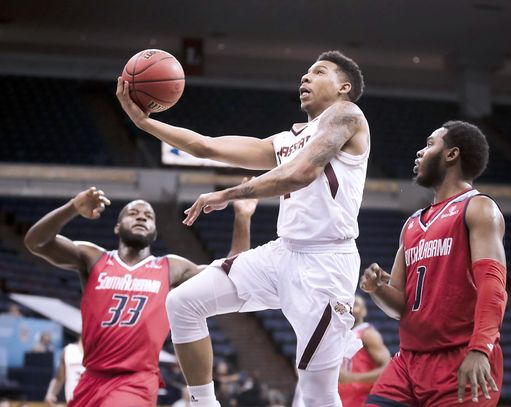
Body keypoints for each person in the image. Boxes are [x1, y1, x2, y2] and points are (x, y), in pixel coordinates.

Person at [117, 50, 370, 406]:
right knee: (183, 302)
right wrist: (144, 123)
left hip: (326, 265)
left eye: (318, 72)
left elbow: (301, 174)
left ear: (344, 87)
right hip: (283, 253)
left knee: (316, 394)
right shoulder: (286, 140)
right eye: (305, 73)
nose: (305, 78)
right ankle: (203, 403)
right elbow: (206, 146)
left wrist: (228, 193)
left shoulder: (348, 115)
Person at [24, 187, 257, 407]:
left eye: (148, 215)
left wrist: (242, 218)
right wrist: (73, 207)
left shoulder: (171, 267)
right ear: (117, 227)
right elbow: (35, 242)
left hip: (135, 380)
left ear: (154, 231)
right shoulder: (93, 258)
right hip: (91, 380)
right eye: (133, 213)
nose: (141, 217)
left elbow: (232, 275)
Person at [360, 121, 507, 406]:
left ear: (451, 154)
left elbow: (493, 285)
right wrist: (378, 289)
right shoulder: (412, 223)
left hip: (460, 356)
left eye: (429, 144)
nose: (419, 152)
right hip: (408, 362)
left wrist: (481, 350)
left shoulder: (478, 208)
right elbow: (399, 306)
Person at [338, 295, 391, 407]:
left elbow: (388, 368)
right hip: (341, 401)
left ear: (364, 311)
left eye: (356, 304)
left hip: (363, 401)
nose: (351, 307)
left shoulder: (368, 334)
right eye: (349, 305)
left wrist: (353, 377)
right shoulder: (337, 335)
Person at [44, 337, 84, 406]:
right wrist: (51, 393)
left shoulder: (98, 352)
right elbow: (59, 377)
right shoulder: (68, 350)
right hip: (72, 401)